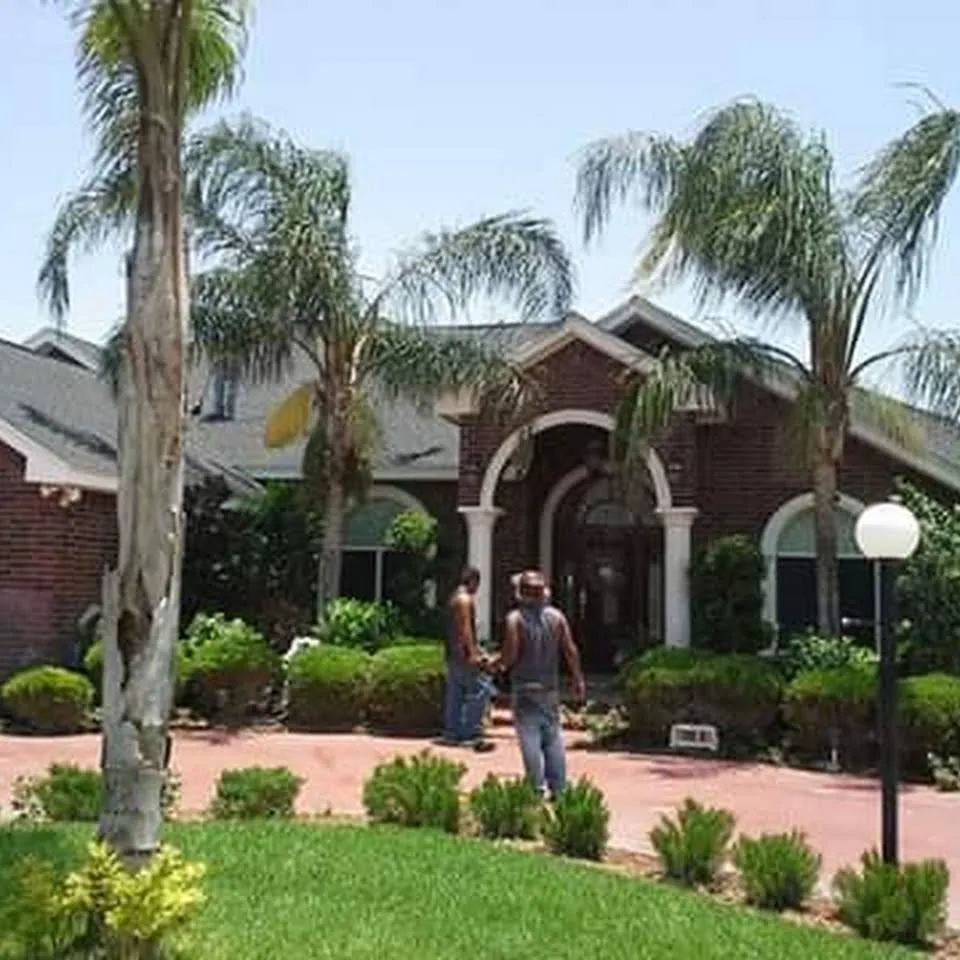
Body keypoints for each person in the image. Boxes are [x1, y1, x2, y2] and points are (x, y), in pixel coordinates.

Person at [497, 569, 585, 800]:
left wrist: (496, 664)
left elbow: (511, 653)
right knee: (553, 738)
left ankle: (536, 788)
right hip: (550, 688)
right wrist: (577, 678)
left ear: (521, 594)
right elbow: (570, 649)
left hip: (525, 688)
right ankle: (559, 787)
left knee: (530, 741)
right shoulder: (557, 617)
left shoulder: (515, 619)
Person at [441, 567, 495, 752]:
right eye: (477, 584)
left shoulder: (453, 597)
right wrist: (473, 654)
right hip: (463, 657)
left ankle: (451, 733)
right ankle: (470, 732)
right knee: (482, 690)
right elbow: (466, 629)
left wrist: (479, 651)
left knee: (455, 694)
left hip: (452, 655)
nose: (477, 589)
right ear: (473, 581)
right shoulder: (464, 600)